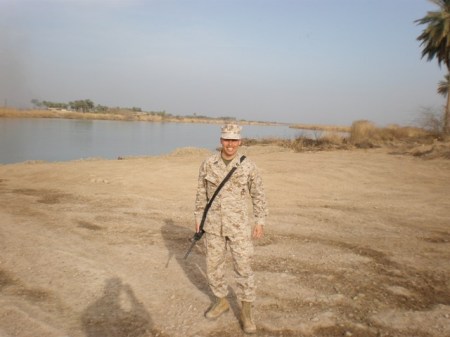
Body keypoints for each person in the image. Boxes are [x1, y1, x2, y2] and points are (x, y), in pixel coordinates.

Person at [194, 123, 268, 334]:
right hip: (213, 226)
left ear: (240, 142)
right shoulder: (208, 164)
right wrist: (198, 218)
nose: (230, 144)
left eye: (234, 140)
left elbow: (258, 194)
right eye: (227, 140)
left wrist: (260, 221)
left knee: (243, 267)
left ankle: (246, 312)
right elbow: (201, 194)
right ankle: (221, 301)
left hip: (239, 226)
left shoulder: (248, 166)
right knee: (213, 266)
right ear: (221, 141)